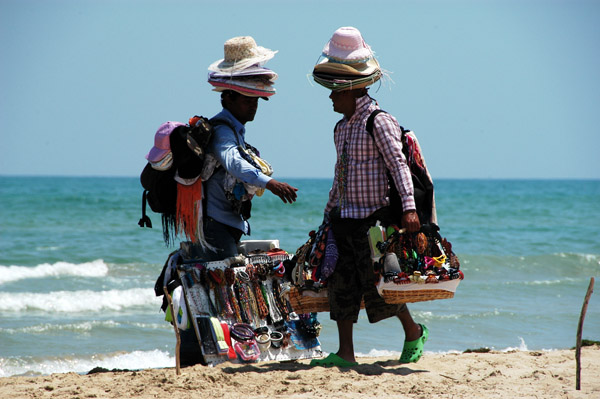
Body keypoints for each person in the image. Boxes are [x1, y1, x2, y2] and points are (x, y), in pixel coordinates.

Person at [309, 27, 436, 367]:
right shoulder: (341, 127)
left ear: (351, 88)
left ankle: (413, 332)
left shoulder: (378, 121)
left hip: (375, 221)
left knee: (381, 286)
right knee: (342, 286)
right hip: (344, 219)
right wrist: (328, 215)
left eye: (335, 90)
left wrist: (409, 210)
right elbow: (341, 176)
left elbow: (398, 166)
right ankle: (346, 354)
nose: (331, 97)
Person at [193, 36, 298, 261]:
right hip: (215, 224)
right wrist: (270, 183)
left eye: (256, 100)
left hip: (225, 223)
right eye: (247, 99)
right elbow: (233, 162)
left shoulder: (234, 129)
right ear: (228, 98)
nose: (253, 105)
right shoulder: (222, 131)